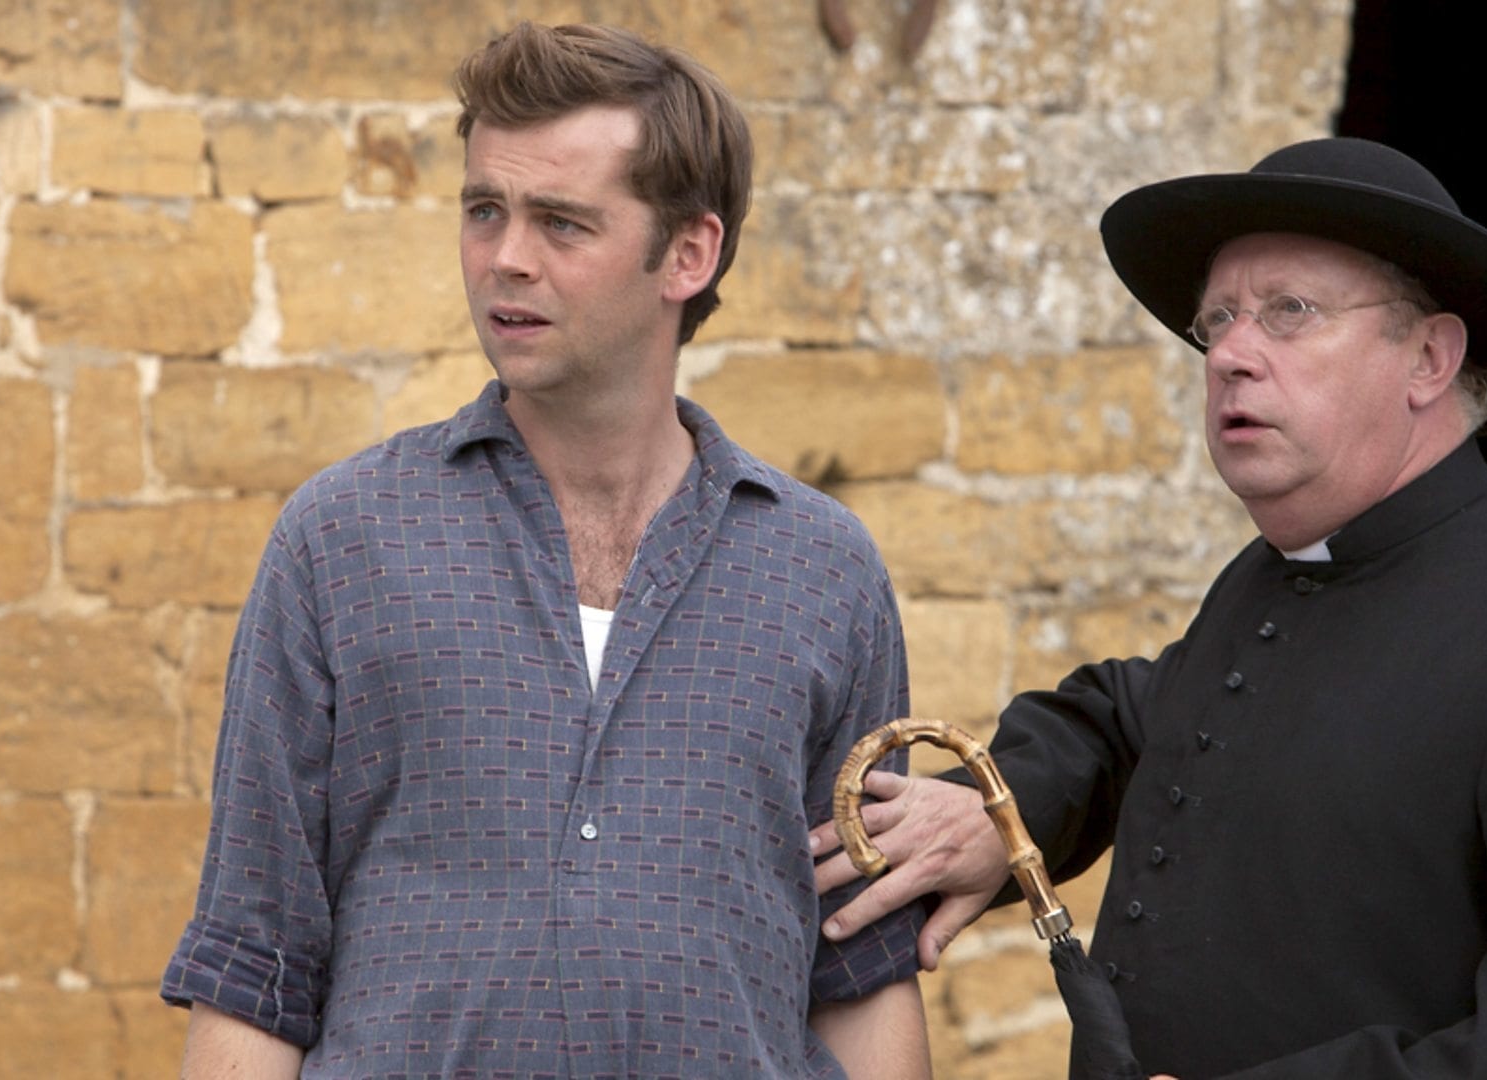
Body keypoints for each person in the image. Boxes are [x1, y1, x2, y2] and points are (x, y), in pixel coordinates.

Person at [812, 137, 1487, 1077]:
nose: (1230, 355)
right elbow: (1140, 723)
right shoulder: (1273, 577)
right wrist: (998, 817)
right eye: (1218, 321)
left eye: (1290, 311)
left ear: (1427, 357)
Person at [161, 22, 928, 1079]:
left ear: (689, 254)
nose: (506, 258)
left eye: (562, 222)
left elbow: (861, 973)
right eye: (485, 210)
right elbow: (256, 967)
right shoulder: (341, 541)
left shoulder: (821, 570)